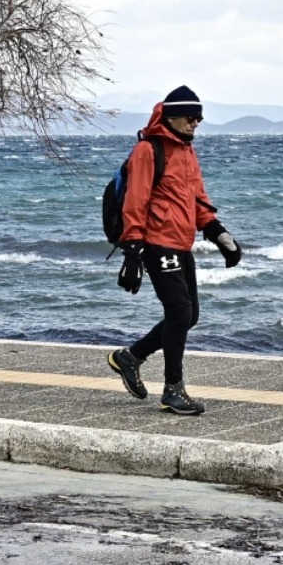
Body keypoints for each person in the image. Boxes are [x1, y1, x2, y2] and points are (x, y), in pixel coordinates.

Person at [107, 85, 243, 415]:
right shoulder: (148, 150)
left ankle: (130, 356)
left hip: (181, 242)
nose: (196, 123)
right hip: (155, 242)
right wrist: (132, 250)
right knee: (180, 311)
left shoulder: (186, 151)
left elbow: (197, 200)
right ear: (172, 117)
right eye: (191, 117)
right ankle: (173, 390)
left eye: (200, 118)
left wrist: (217, 232)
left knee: (189, 315)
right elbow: (136, 202)